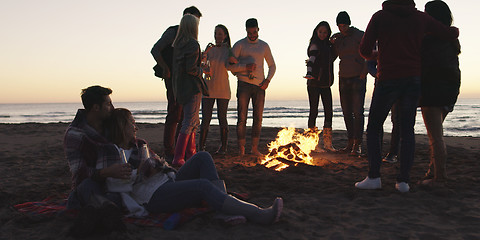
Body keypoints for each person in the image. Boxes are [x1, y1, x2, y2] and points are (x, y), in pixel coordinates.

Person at [106, 108, 283, 224]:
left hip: (167, 181)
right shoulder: (116, 152)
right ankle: (259, 214)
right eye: (131, 123)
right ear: (122, 126)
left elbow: (159, 165)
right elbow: (121, 185)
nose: (135, 127)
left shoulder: (139, 145)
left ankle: (220, 210)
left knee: (202, 156)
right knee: (202, 186)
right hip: (152, 196)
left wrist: (155, 166)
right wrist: (141, 171)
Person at [355, 0, 459, 192]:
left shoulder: (380, 17)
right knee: (407, 130)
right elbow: (448, 33)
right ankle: (403, 182)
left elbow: (364, 51)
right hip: (412, 79)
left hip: (388, 78)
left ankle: (374, 177)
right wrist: (455, 31)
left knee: (374, 127)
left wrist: (377, 55)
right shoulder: (421, 18)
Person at [151, 6, 202, 163]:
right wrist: (166, 67)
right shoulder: (173, 33)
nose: (197, 24)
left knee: (184, 116)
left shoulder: (186, 38)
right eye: (195, 20)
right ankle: (171, 150)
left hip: (182, 79)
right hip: (174, 79)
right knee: (175, 113)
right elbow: (155, 50)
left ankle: (184, 150)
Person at [419, 0, 461, 186]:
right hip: (450, 90)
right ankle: (432, 170)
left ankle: (440, 177)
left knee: (435, 136)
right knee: (435, 134)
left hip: (433, 91)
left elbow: (427, 66)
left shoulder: (430, 39)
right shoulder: (451, 39)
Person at [64, 85, 124, 209]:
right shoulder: (75, 134)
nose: (112, 108)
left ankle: (105, 207)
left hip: (117, 181)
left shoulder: (112, 126)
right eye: (108, 104)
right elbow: (79, 173)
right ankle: (106, 208)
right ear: (96, 107)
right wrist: (108, 172)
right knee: (87, 187)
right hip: (93, 184)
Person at [230, 18, 276, 156]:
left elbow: (272, 65)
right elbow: (231, 67)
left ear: (258, 29)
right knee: (242, 117)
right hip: (243, 84)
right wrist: (244, 68)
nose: (252, 35)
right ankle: (242, 149)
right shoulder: (239, 45)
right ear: (246, 31)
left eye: (254, 32)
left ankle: (254, 149)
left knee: (258, 118)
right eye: (249, 32)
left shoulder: (264, 46)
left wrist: (267, 80)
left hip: (260, 86)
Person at [170, 14, 207, 167]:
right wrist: (202, 69)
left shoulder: (178, 44)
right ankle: (179, 157)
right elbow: (191, 68)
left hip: (181, 87)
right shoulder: (192, 44)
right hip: (192, 87)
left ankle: (190, 153)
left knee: (192, 121)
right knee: (189, 122)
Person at [330, 11, 367, 156]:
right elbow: (332, 56)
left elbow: (369, 52)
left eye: (344, 25)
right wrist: (331, 42)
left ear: (349, 23)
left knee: (358, 112)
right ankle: (350, 142)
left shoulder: (359, 35)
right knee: (346, 112)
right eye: (339, 25)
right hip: (343, 77)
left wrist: (364, 71)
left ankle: (358, 144)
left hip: (358, 77)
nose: (342, 28)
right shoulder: (338, 39)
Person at [198, 24, 235, 154]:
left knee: (222, 118)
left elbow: (233, 65)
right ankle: (201, 147)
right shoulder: (210, 49)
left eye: (220, 33)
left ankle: (223, 147)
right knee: (206, 118)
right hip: (208, 88)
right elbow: (201, 65)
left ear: (225, 35)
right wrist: (205, 53)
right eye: (215, 33)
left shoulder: (229, 50)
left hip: (223, 89)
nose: (217, 36)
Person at [304, 21, 337, 152]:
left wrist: (333, 45)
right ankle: (313, 144)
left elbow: (332, 58)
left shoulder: (328, 46)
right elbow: (311, 60)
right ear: (316, 32)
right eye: (320, 32)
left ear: (328, 33)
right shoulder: (314, 45)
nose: (322, 34)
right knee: (314, 111)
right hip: (314, 83)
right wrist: (309, 72)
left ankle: (328, 144)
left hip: (326, 83)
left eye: (325, 32)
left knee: (329, 112)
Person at [367, 59, 400, 163]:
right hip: (384, 81)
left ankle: (393, 153)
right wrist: (377, 73)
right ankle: (377, 152)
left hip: (399, 81)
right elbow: (369, 61)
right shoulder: (379, 44)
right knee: (377, 121)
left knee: (396, 120)